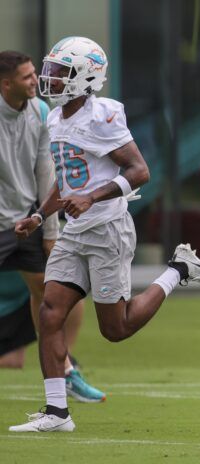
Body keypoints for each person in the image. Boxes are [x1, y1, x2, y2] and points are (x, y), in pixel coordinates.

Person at [8, 36, 200, 433]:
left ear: (85, 78)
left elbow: (140, 171)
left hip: (107, 228)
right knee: (50, 313)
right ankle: (57, 413)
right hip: (76, 232)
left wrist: (92, 197)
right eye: (50, 70)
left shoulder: (102, 114)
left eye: (60, 72)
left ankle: (178, 270)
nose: (50, 78)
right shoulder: (55, 118)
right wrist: (39, 216)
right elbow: (69, 183)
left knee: (116, 329)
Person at [0, 50, 105, 401]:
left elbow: (48, 172)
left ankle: (65, 368)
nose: (36, 81)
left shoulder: (42, 112)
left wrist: (49, 229)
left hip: (25, 221)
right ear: (6, 83)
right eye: (28, 76)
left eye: (35, 74)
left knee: (60, 294)